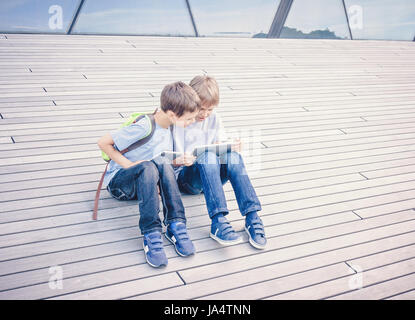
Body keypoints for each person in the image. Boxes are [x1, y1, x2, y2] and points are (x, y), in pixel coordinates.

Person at [97, 81, 201, 268]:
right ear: (171, 114)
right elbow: (103, 142)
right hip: (120, 184)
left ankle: (175, 224)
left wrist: (179, 161)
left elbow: (160, 159)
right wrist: (129, 164)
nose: (192, 122)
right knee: (147, 167)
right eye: (188, 119)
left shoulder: (170, 127)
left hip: (145, 182)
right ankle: (151, 232)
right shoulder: (145, 126)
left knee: (160, 162)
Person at [171, 76, 267, 249]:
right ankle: (218, 221)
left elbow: (220, 143)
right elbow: (168, 159)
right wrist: (182, 159)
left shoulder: (214, 118)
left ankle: (252, 216)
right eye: (201, 109)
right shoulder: (180, 120)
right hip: (187, 179)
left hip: (211, 175)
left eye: (210, 110)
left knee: (233, 157)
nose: (205, 114)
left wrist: (228, 146)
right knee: (207, 157)